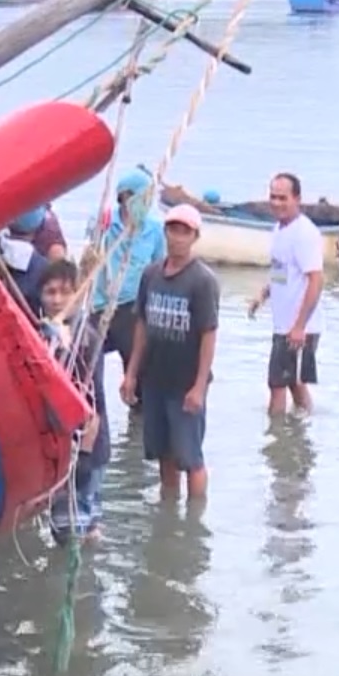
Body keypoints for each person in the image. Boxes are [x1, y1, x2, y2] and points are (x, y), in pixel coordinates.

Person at [121, 204, 219, 500]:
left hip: (185, 382)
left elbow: (209, 334)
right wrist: (131, 374)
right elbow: (142, 326)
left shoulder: (202, 280)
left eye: (184, 232)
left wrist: (199, 387)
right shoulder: (151, 275)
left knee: (191, 458)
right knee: (163, 453)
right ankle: (168, 513)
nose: (177, 237)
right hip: (155, 379)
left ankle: (194, 521)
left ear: (194, 237)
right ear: (164, 232)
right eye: (172, 230)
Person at [39, 258, 107, 544]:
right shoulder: (44, 334)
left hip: (83, 447)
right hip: (60, 445)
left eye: (65, 292)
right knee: (77, 526)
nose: (57, 300)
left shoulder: (83, 338)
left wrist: (85, 458)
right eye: (50, 292)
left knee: (74, 531)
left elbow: (94, 405)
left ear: (78, 294)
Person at [247, 172, 325, 416]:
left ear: (297, 199)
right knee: (293, 381)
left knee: (277, 384)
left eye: (283, 198)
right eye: (273, 197)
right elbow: (281, 271)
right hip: (284, 324)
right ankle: (301, 433)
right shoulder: (279, 229)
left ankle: (277, 439)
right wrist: (264, 295)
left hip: (299, 325)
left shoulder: (304, 233)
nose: (277, 203)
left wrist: (300, 326)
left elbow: (316, 279)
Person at [91, 169, 165, 409]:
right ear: (124, 197)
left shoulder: (154, 230)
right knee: (87, 366)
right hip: (100, 305)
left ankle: (137, 432)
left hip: (132, 308)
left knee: (138, 377)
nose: (146, 203)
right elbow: (89, 258)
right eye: (141, 197)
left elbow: (159, 270)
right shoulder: (103, 222)